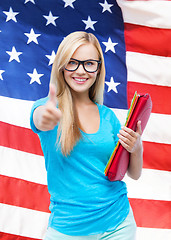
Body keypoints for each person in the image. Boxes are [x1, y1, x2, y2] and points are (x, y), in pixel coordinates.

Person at [30, 31, 143, 240]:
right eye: (73, 62)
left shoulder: (108, 117)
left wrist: (136, 148)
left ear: (98, 68)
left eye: (89, 63)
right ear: (62, 66)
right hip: (67, 230)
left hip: (118, 225)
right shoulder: (47, 107)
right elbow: (39, 118)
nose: (81, 71)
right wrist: (45, 117)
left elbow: (133, 174)